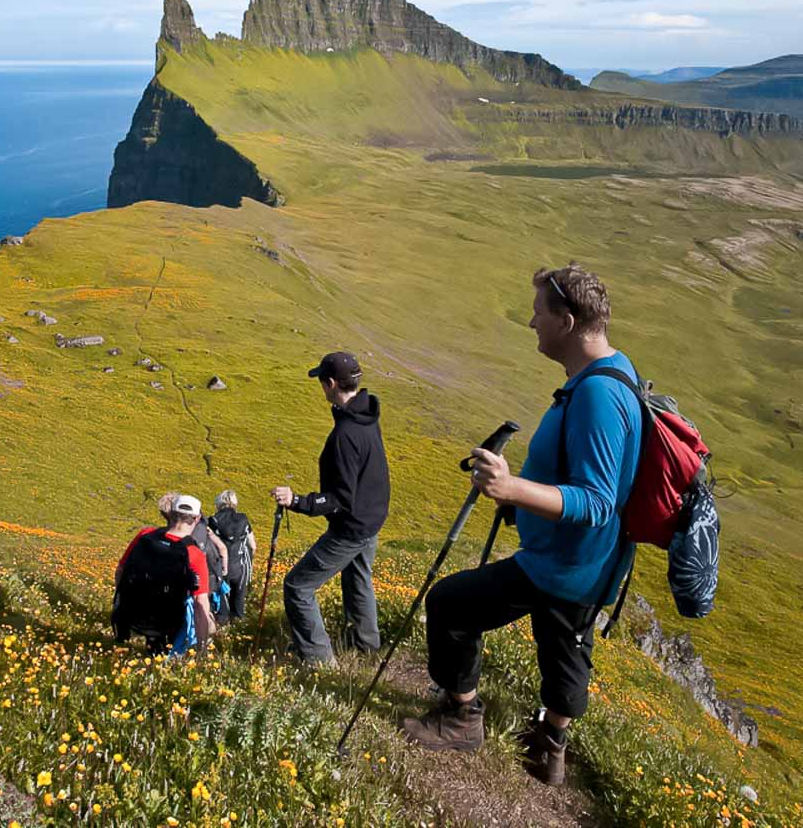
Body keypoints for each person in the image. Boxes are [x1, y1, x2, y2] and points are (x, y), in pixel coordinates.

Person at [401, 262, 641, 787]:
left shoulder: (598, 396)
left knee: (451, 605)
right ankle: (550, 748)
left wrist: (512, 489)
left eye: (538, 312)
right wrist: (523, 502)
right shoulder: (614, 373)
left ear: (567, 321)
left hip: (561, 564)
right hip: (589, 563)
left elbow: (597, 501)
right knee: (566, 646)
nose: (531, 322)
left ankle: (462, 719)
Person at [273, 351, 391, 666]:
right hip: (371, 519)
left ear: (330, 384)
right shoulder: (366, 416)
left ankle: (319, 662)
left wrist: (297, 501)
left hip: (351, 527)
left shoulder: (345, 435)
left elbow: (340, 497)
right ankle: (366, 647)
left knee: (298, 586)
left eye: (321, 382)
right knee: (358, 577)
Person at [112, 493, 217, 653]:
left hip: (133, 613)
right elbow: (200, 602)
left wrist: (123, 601)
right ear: (196, 519)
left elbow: (120, 570)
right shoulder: (194, 553)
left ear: (171, 514)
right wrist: (201, 650)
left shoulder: (145, 535)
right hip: (169, 622)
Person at [207, 490, 257, 621]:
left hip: (221, 567)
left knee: (222, 600)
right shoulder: (243, 519)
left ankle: (222, 625)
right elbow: (253, 545)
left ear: (218, 503)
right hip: (240, 566)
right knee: (238, 600)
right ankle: (238, 623)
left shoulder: (212, 520)